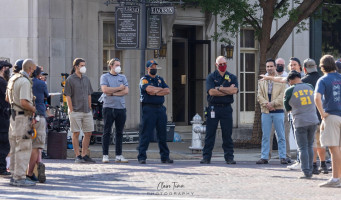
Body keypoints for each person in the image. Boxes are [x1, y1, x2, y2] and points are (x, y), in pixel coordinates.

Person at [200, 56, 238, 164]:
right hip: (213, 108)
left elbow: (234, 90)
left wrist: (219, 88)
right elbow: (211, 92)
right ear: (216, 65)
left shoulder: (232, 77)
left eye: (224, 63)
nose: (223, 66)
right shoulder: (211, 77)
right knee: (210, 134)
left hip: (226, 108)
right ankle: (206, 157)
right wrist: (227, 90)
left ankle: (229, 157)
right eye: (220, 64)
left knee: (227, 134)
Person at [6, 59, 37, 186]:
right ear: (30, 69)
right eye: (33, 70)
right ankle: (19, 177)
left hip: (13, 117)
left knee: (14, 147)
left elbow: (7, 98)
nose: (33, 73)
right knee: (23, 147)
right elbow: (24, 101)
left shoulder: (13, 79)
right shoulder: (24, 81)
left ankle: (14, 174)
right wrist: (34, 109)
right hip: (23, 118)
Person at [284, 70, 319, 178]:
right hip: (313, 119)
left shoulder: (290, 90)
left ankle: (306, 171)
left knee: (302, 147)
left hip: (300, 121)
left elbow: (287, 107)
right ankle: (311, 167)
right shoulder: (310, 86)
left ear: (290, 80)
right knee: (310, 145)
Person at [138, 59, 173, 164]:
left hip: (160, 108)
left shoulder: (160, 79)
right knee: (146, 133)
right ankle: (142, 156)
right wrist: (158, 90)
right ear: (147, 68)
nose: (154, 69)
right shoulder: (144, 79)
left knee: (162, 134)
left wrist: (155, 92)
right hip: (149, 108)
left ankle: (165, 157)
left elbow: (167, 90)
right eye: (152, 67)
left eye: (155, 67)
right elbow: (148, 89)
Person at [314, 55, 341, 187]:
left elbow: (317, 97)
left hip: (332, 116)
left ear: (322, 66)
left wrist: (322, 113)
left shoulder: (323, 80)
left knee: (334, 149)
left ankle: (335, 179)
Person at [256, 59, 287, 165]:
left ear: (275, 67)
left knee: (281, 135)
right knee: (266, 135)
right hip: (266, 112)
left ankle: (283, 156)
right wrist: (267, 104)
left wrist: (272, 104)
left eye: (271, 66)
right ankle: (264, 157)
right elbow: (259, 96)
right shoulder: (261, 81)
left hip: (278, 111)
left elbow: (283, 95)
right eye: (267, 66)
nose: (269, 68)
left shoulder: (280, 80)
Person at [64, 58, 95, 163]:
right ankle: (77, 155)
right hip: (75, 111)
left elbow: (89, 93)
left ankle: (84, 154)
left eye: (84, 65)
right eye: (82, 65)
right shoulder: (70, 79)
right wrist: (71, 110)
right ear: (76, 66)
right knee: (76, 133)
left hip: (86, 110)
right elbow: (67, 96)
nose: (84, 67)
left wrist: (89, 106)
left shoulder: (86, 79)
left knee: (88, 132)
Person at [301, 58, 328, 175]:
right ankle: (324, 164)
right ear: (316, 67)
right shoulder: (322, 79)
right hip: (323, 115)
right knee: (321, 142)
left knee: (312, 142)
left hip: (310, 115)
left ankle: (314, 165)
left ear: (304, 68)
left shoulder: (303, 81)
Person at [100, 58, 129, 163]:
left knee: (119, 132)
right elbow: (105, 90)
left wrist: (112, 92)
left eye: (119, 65)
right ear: (111, 66)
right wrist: (119, 88)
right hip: (108, 107)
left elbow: (126, 91)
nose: (118, 67)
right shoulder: (105, 76)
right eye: (116, 65)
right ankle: (105, 155)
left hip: (121, 107)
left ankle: (119, 155)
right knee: (107, 131)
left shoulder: (123, 77)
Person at [26, 66, 48, 183]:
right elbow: (46, 96)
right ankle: (36, 167)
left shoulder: (23, 81)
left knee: (26, 144)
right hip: (38, 115)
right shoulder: (41, 83)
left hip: (23, 116)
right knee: (37, 145)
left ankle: (26, 171)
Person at [269, 58, 291, 163]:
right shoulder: (268, 76)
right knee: (269, 133)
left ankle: (286, 155)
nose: (280, 66)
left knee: (284, 133)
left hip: (284, 108)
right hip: (270, 108)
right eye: (278, 64)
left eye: (282, 64)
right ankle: (266, 156)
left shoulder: (288, 77)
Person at [0, 60, 12, 176]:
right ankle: (2, 168)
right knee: (4, 143)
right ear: (3, 68)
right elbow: (8, 98)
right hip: (2, 117)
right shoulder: (2, 82)